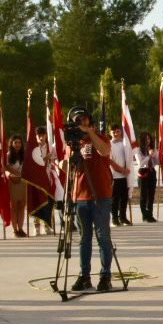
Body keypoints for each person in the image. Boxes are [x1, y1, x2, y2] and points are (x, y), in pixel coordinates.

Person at [67, 111, 116, 292]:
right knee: (84, 239)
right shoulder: (73, 143)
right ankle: (84, 276)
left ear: (90, 121)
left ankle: (105, 276)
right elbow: (68, 167)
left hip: (100, 195)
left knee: (103, 237)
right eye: (77, 120)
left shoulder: (100, 138)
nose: (81, 122)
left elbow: (105, 151)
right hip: (80, 195)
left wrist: (90, 132)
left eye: (84, 119)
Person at [108, 125, 133, 226]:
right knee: (115, 199)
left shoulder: (125, 144)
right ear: (110, 133)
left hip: (125, 176)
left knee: (124, 198)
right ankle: (114, 219)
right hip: (114, 176)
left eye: (118, 131)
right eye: (113, 132)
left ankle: (123, 217)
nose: (116, 133)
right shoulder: (109, 144)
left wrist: (127, 170)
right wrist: (121, 170)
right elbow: (110, 161)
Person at [5, 135, 28, 237]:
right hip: (12, 182)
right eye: (15, 142)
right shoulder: (7, 155)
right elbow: (5, 168)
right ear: (11, 144)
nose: (18, 144)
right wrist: (11, 174)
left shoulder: (25, 155)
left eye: (19, 142)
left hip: (23, 181)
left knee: (22, 206)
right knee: (13, 206)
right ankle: (15, 230)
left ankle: (21, 228)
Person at [136, 132, 158, 222]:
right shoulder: (138, 150)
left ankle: (150, 214)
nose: (147, 140)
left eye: (148, 138)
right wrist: (149, 156)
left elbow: (156, 162)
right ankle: (145, 215)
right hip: (143, 172)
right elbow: (140, 163)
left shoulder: (152, 149)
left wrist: (156, 155)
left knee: (151, 195)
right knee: (143, 195)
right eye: (145, 139)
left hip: (152, 171)